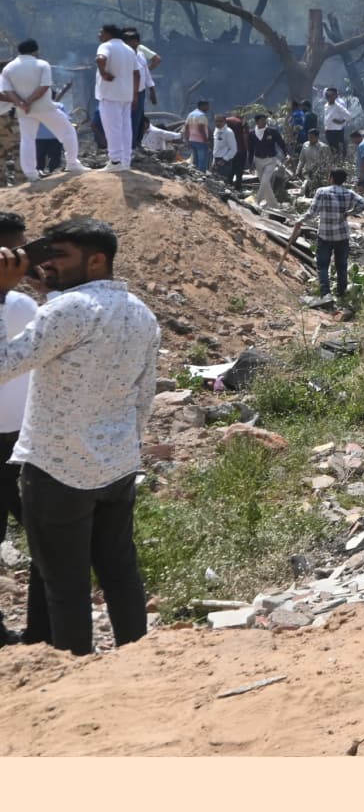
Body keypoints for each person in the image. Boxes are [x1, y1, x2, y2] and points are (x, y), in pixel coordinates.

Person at [0, 218, 159, 656]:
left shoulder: (66, 311)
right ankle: (138, 659)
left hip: (56, 469)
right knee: (120, 573)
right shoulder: (140, 312)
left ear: (96, 261)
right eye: (46, 255)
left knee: (65, 586)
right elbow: (144, 396)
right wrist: (124, 446)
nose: (48, 264)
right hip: (118, 467)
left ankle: (75, 675)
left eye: (61, 256)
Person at [0, 211, 33, 644]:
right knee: (44, 532)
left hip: (19, 436)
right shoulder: (22, 306)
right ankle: (50, 624)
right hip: (20, 438)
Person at [2, 40, 83, 180]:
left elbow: (7, 91)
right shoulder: (42, 64)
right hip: (44, 107)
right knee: (67, 131)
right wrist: (30, 101)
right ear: (35, 51)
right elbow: (45, 86)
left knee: (27, 140)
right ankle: (72, 163)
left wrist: (21, 103)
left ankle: (31, 174)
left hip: (24, 110)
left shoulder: (8, 68)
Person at [289, 168, 364, 303]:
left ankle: (326, 294)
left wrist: (300, 220)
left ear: (331, 177)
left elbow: (312, 212)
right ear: (344, 180)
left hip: (325, 235)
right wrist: (349, 213)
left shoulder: (322, 191)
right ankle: (342, 293)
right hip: (342, 235)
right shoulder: (349, 193)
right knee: (341, 265)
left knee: (323, 265)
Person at [93, 25, 140, 171]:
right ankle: (125, 162)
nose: (99, 35)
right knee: (126, 128)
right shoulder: (129, 50)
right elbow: (137, 74)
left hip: (110, 94)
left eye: (101, 32)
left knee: (112, 128)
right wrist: (135, 95)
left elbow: (100, 59)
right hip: (126, 95)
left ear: (108, 34)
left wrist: (104, 73)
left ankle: (114, 161)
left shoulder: (105, 46)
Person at [247, 112, 289, 204]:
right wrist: (251, 163)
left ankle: (257, 202)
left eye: (265, 120)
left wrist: (286, 153)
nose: (264, 122)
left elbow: (281, 143)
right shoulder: (252, 134)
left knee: (265, 182)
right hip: (258, 161)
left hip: (270, 160)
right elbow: (250, 150)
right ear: (257, 122)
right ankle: (274, 205)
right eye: (262, 120)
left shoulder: (272, 132)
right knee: (265, 184)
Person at [181, 99, 213, 172]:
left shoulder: (191, 114)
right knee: (202, 160)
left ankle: (195, 174)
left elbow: (186, 127)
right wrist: (206, 140)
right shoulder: (201, 115)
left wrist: (187, 138)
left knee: (195, 159)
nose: (208, 108)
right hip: (200, 141)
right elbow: (201, 128)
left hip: (192, 140)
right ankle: (201, 175)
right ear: (203, 106)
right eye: (207, 106)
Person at [321, 87, 351, 155]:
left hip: (336, 131)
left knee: (338, 150)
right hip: (328, 130)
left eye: (331, 95)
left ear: (335, 95)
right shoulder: (326, 105)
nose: (328, 97)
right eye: (327, 95)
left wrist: (341, 122)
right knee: (332, 150)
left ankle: (341, 162)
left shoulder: (339, 104)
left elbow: (348, 116)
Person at [212, 115, 240, 186]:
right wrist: (213, 161)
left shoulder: (228, 132)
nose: (218, 123)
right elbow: (216, 147)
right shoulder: (216, 130)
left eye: (220, 121)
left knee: (223, 182)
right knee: (215, 181)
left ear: (225, 122)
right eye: (216, 121)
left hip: (224, 162)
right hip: (216, 159)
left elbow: (233, 149)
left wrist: (224, 159)